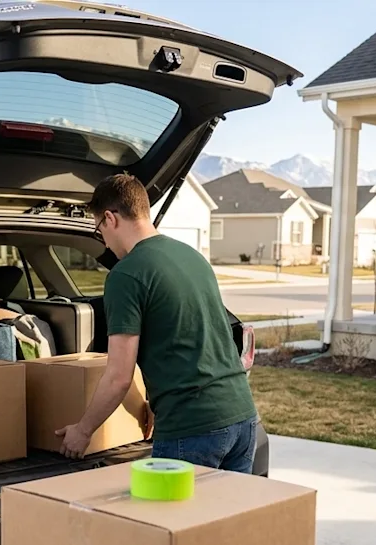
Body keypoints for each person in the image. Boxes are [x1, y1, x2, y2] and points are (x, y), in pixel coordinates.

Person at [56, 174, 259, 472]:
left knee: (172, 518)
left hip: (191, 430)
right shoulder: (191, 256)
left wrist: (83, 431)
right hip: (242, 416)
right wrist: (152, 401)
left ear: (110, 218)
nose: (104, 240)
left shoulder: (126, 274)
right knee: (226, 517)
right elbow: (192, 336)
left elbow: (118, 376)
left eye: (98, 228)